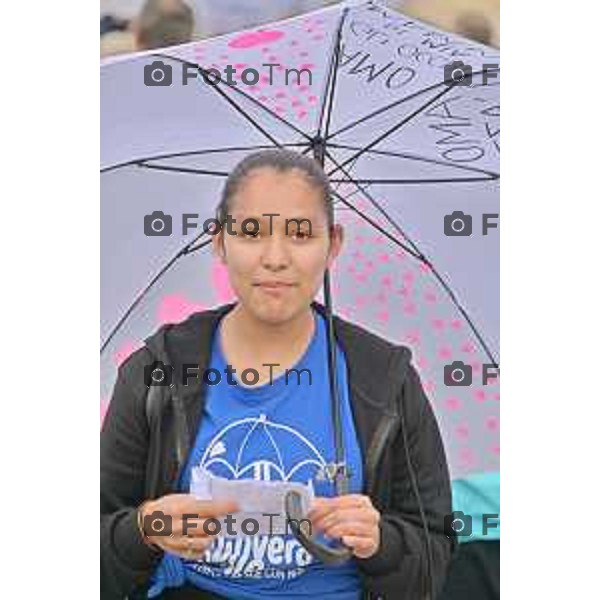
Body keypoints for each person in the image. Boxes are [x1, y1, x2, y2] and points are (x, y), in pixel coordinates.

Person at [101, 149, 453, 599]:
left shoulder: (385, 379)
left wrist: (380, 541)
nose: (275, 257)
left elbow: (433, 561)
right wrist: (145, 528)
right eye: (251, 232)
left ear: (334, 244)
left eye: (301, 234)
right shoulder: (157, 371)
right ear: (219, 242)